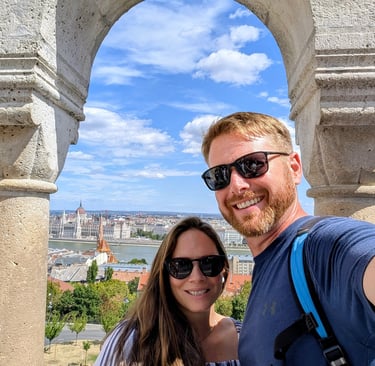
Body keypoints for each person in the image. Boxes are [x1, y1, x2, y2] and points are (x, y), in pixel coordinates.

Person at [201, 111, 375, 365]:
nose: (237, 185)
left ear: (294, 168)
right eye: (220, 176)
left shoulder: (324, 246)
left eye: (253, 164)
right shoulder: (268, 266)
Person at [94, 216, 241, 366]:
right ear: (164, 275)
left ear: (224, 269)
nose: (197, 277)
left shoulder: (248, 339)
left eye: (209, 263)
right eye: (181, 266)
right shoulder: (128, 341)